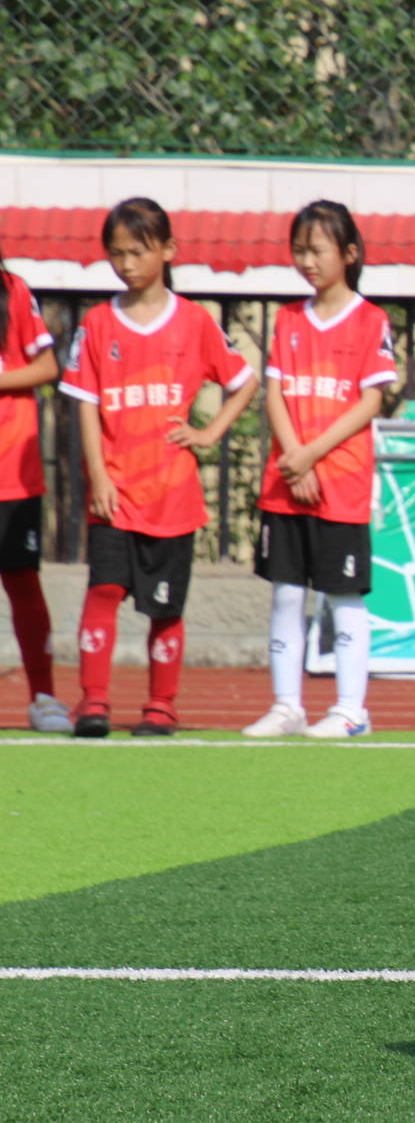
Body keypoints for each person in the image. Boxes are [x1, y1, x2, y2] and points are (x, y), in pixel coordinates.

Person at [60, 198, 257, 738]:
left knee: (165, 609)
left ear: (167, 251)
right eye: (116, 253)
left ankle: (160, 705)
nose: (126, 264)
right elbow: (84, 402)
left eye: (138, 252)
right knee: (102, 591)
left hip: (172, 495)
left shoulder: (194, 322)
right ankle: (93, 702)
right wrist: (98, 475)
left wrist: (210, 433)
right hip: (116, 491)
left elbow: (243, 381)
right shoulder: (98, 324)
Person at [242, 202, 397, 740]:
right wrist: (293, 458)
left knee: (343, 594)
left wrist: (311, 455)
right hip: (287, 481)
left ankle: (352, 710)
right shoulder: (286, 319)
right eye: (299, 250)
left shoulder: (372, 320)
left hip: (341, 482)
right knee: (287, 591)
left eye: (317, 250)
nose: (306, 260)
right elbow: (276, 393)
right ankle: (287, 705)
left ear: (348, 255)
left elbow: (370, 401)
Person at [0, 248, 70, 732]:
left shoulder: (13, 290)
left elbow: (47, 368)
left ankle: (44, 697)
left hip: (11, 470)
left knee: (22, 581)